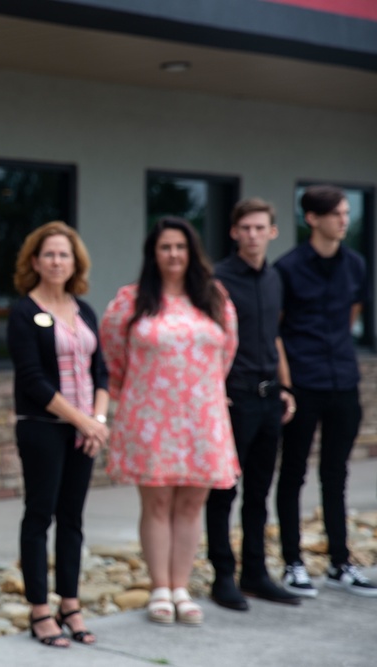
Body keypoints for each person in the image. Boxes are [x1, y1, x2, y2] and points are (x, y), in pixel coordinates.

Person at [100, 216, 239, 627]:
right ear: (153, 254)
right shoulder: (131, 299)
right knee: (158, 501)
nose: (173, 254)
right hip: (151, 416)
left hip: (202, 416)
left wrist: (201, 389)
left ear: (191, 253)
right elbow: (113, 355)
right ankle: (159, 586)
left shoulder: (214, 297)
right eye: (165, 247)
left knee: (193, 502)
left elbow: (226, 352)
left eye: (180, 247)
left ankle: (181, 587)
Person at [6, 222, 110, 648]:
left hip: (85, 433)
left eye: (63, 254)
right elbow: (32, 379)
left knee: (73, 520)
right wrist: (82, 421)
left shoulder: (84, 310)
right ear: (35, 261)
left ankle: (70, 603)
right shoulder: (22, 311)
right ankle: (39, 610)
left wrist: (97, 422)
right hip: (43, 430)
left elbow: (101, 371)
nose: (56, 261)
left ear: (75, 262)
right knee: (39, 516)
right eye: (48, 254)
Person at [274, 185, 377, 598]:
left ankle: (340, 562)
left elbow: (352, 312)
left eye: (347, 212)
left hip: (343, 382)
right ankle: (293, 562)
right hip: (303, 383)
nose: (344, 220)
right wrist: (285, 383)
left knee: (336, 474)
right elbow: (276, 329)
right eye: (336, 213)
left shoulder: (354, 263)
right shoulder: (288, 268)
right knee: (294, 472)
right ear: (313, 219)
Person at [205, 198, 301, 611]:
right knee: (224, 491)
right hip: (234, 396)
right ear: (233, 232)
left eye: (260, 228)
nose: (252, 235)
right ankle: (223, 576)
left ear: (272, 232)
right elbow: (207, 340)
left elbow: (274, 338)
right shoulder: (218, 280)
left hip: (268, 398)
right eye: (245, 228)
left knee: (260, 492)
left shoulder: (275, 278)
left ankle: (256, 575)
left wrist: (286, 388)